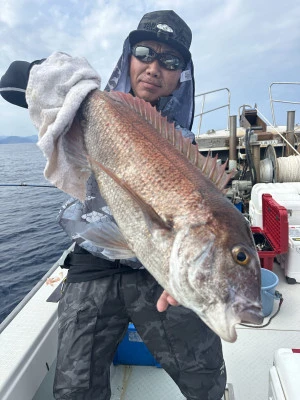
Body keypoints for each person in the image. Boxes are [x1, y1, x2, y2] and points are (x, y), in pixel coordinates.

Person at [0, 10, 226, 400]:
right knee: (73, 389)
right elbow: (10, 83)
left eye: (170, 61)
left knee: (205, 378)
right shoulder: (87, 106)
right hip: (94, 260)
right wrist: (53, 76)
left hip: (158, 268)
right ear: (128, 57)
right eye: (144, 52)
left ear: (180, 76)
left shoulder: (186, 148)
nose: (154, 67)